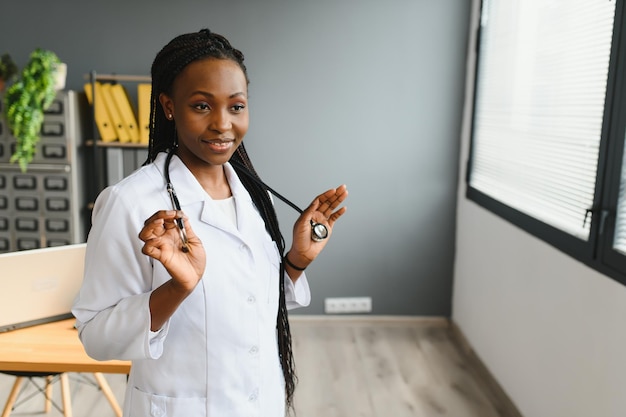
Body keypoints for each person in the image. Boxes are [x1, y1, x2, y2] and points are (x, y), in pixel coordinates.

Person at [72, 28, 348, 417]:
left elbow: (248, 305)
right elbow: (96, 337)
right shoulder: (130, 203)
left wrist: (296, 261)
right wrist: (178, 288)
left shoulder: (255, 195)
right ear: (169, 106)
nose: (222, 124)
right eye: (202, 106)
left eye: (236, 106)